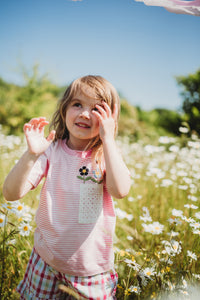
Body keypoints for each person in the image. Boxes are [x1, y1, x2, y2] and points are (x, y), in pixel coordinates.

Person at [3, 75, 131, 300]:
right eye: (77, 104)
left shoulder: (105, 155)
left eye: (97, 109)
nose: (84, 113)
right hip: (45, 260)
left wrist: (108, 139)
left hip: (90, 270)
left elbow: (120, 191)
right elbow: (11, 194)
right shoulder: (51, 151)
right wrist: (31, 154)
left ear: (110, 117)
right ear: (64, 110)